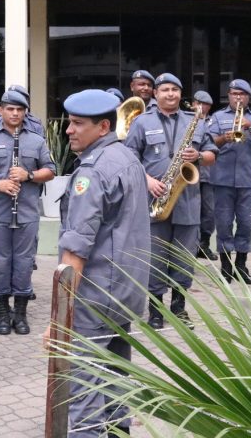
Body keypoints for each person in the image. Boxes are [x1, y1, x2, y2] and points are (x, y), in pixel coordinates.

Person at [43, 89, 151, 437]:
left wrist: (57, 320)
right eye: (69, 123)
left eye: (77, 124)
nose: (69, 130)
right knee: (118, 381)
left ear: (103, 126)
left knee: (85, 394)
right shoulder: (128, 158)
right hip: (127, 293)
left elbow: (75, 252)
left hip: (96, 297)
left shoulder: (91, 173)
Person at [125, 73, 217, 328]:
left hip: (187, 201)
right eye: (164, 89)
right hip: (154, 201)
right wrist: (147, 180)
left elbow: (212, 154)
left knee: (184, 258)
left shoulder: (195, 121)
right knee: (155, 257)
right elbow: (129, 158)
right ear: (155, 93)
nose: (170, 94)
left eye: (175, 90)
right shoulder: (141, 122)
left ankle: (179, 308)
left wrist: (199, 154)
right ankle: (155, 310)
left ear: (180, 93)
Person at [0, 89, 55, 335]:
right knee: (1, 263)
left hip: (26, 213)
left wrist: (29, 175)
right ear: (1, 111)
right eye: (10, 109)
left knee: (25, 264)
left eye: (20, 109)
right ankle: (3, 314)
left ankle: (21, 314)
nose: (15, 113)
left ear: (25, 112)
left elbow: (50, 170)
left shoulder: (36, 140)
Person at [208, 79, 251, 284]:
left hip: (247, 179)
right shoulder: (217, 117)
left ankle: (241, 265)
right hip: (222, 180)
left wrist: (250, 127)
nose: (238, 98)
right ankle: (226, 267)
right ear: (229, 95)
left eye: (242, 95)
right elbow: (209, 142)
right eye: (234, 94)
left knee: (246, 223)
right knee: (224, 224)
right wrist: (224, 138)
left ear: (248, 97)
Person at [191, 90, 218, 262]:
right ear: (193, 104)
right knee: (190, 211)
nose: (202, 107)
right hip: (189, 175)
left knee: (209, 212)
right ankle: (189, 246)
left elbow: (215, 146)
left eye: (206, 105)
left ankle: (204, 245)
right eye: (199, 103)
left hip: (208, 174)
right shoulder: (186, 120)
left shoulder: (213, 122)